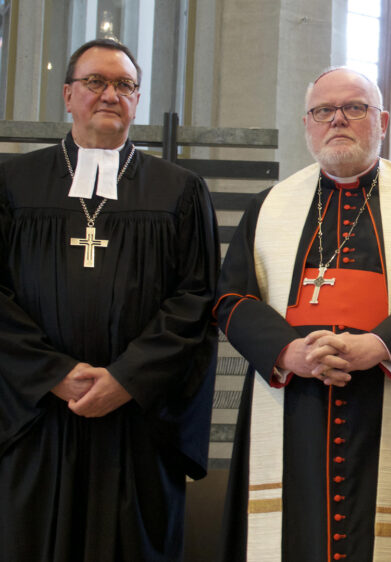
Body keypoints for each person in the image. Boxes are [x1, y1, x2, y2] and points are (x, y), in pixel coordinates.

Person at [216, 66, 391, 561]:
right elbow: (231, 298)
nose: (337, 119)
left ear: (381, 120)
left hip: (389, 395)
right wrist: (288, 351)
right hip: (294, 408)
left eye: (354, 108)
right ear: (307, 124)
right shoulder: (269, 207)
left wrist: (380, 345)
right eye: (324, 111)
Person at [0, 39, 219, 561]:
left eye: (124, 85)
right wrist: (50, 373)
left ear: (137, 100)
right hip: (35, 419)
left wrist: (127, 379)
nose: (109, 94)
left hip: (137, 423)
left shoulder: (180, 192)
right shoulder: (11, 183)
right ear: (68, 94)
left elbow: (197, 300)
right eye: (96, 82)